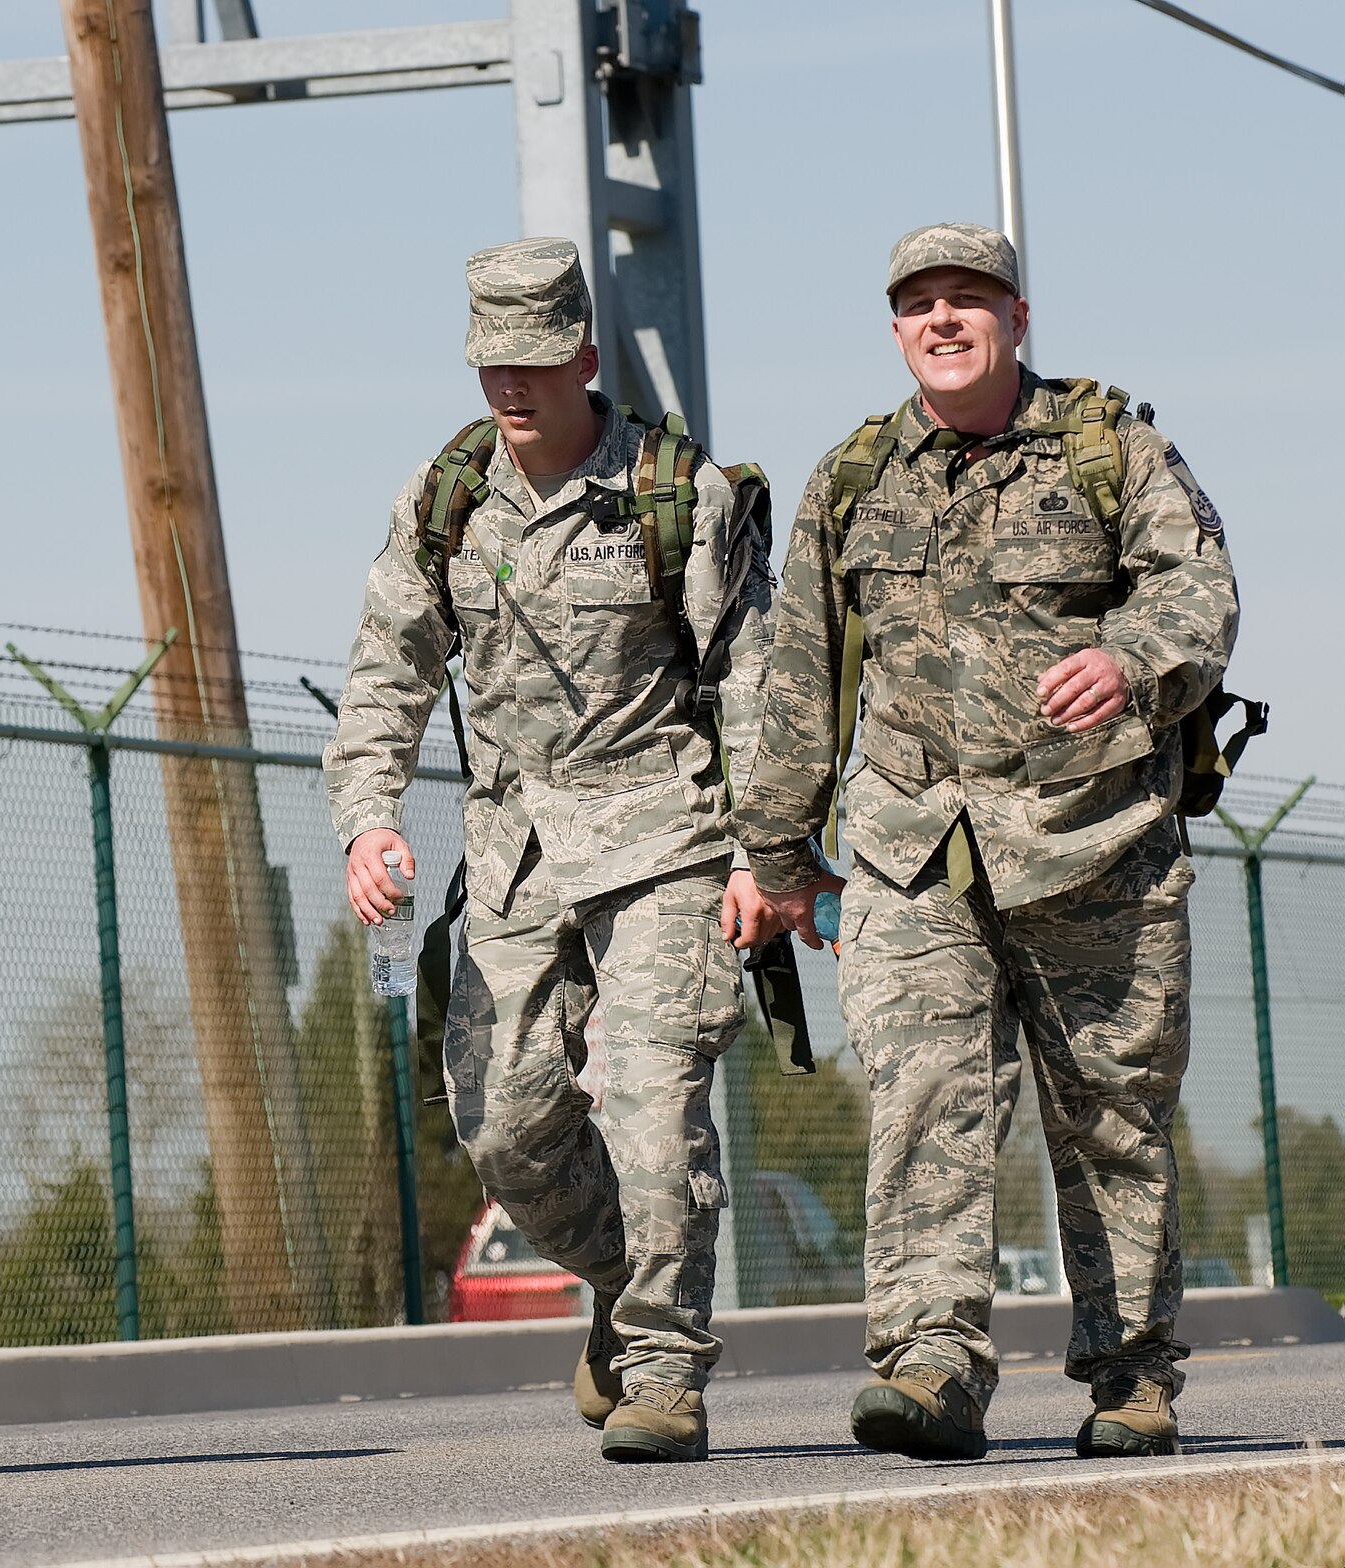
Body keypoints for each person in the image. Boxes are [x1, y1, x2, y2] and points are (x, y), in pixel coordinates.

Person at [729, 222, 1239, 1461]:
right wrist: (775, 853)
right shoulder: (852, 479)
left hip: (1093, 843)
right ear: (895, 327)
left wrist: (1124, 660)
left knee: (1107, 1115)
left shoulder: (1111, 449)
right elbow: (798, 676)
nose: (942, 321)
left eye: (969, 299)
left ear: (1018, 318)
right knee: (920, 1101)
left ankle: (1127, 1373)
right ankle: (930, 1363)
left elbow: (1199, 593)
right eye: (918, 304)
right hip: (915, 851)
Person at [323, 237, 776, 1462]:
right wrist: (369, 813)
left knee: (649, 1106)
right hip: (515, 855)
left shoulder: (678, 495)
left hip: (665, 839)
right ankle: (626, 1277)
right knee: (506, 1127)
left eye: (530, 362)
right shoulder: (446, 497)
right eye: (487, 365)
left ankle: (665, 1368)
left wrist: (763, 852)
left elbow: (753, 688)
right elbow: (384, 671)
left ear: (582, 355)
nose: (508, 388)